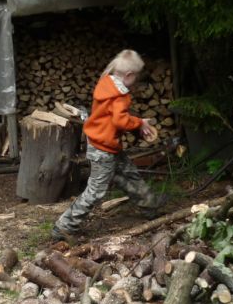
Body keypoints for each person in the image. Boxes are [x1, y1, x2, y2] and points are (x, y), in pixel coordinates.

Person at [52, 49, 167, 243]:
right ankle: (64, 226)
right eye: (136, 77)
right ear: (129, 75)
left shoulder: (107, 84)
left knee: (128, 172)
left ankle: (149, 205)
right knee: (96, 190)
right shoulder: (119, 95)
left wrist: (137, 123)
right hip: (102, 149)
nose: (137, 82)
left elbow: (116, 119)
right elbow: (121, 121)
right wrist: (139, 123)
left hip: (107, 144)